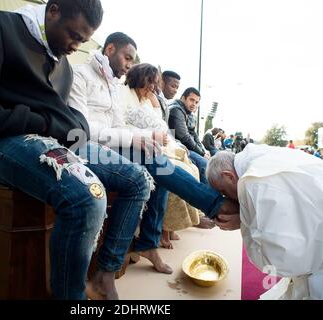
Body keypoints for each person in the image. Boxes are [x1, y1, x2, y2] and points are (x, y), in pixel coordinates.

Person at [0, 0, 153, 300]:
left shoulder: (62, 65)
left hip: (51, 141)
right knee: (88, 197)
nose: (77, 46)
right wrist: (41, 121)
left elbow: (64, 121)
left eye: (82, 39)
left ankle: (105, 272)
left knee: (138, 179)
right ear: (52, 11)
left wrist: (66, 125)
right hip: (0, 143)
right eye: (74, 35)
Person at [69, 32, 239, 274]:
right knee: (155, 163)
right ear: (109, 50)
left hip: (111, 146)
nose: (129, 65)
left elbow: (118, 126)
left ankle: (150, 241)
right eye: (127, 58)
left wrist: (143, 138)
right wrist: (135, 138)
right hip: (86, 149)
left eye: (132, 60)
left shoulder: (113, 85)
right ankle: (215, 205)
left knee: (157, 162)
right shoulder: (80, 75)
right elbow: (81, 130)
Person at [206, 145, 323, 300]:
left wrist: (243, 222)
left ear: (229, 176)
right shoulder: (257, 157)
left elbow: (278, 260)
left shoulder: (253, 182)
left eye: (223, 191)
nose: (227, 198)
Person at [120, 63, 215, 248]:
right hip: (132, 146)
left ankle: (170, 228)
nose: (153, 87)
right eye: (151, 82)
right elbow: (121, 125)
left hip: (153, 145)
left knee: (192, 167)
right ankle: (206, 208)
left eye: (155, 83)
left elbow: (164, 128)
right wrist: (151, 136)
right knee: (166, 171)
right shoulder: (125, 94)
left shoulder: (148, 99)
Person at [168, 88, 210, 183]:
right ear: (183, 98)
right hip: (178, 146)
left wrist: (203, 151)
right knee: (204, 164)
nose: (194, 104)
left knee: (209, 159)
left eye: (196, 102)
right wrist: (202, 153)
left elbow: (194, 135)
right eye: (191, 100)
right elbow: (184, 137)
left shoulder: (189, 113)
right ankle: (204, 195)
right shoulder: (176, 110)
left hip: (188, 147)